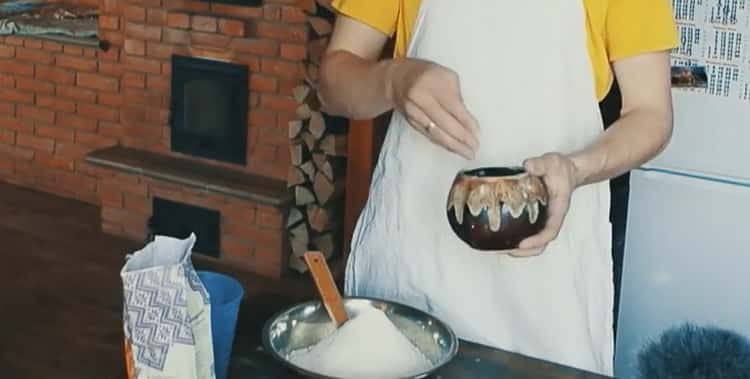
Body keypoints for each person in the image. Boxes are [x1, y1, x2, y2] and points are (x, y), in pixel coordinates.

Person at [319, 0, 678, 375]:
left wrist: (576, 169)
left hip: (546, 271)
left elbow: (651, 113)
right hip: (413, 251)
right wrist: (393, 80)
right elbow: (333, 83)